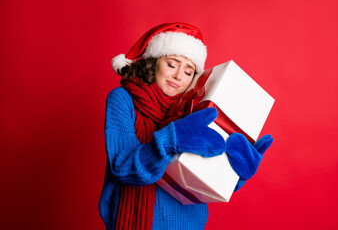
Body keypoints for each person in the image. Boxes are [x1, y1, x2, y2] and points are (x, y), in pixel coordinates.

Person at [98, 22, 273, 230]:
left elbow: (205, 176)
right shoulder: (123, 99)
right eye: (172, 64)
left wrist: (235, 174)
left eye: (188, 71)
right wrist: (171, 139)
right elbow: (122, 166)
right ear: (153, 62)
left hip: (190, 222)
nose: (178, 76)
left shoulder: (196, 108)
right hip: (138, 220)